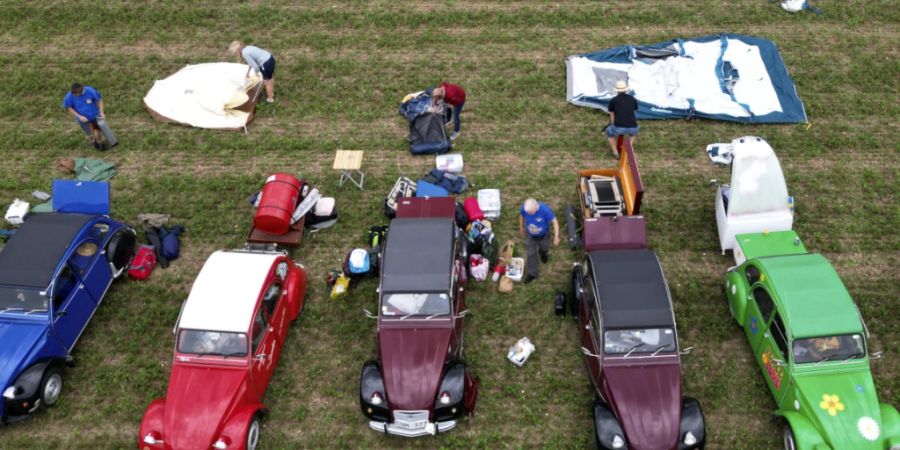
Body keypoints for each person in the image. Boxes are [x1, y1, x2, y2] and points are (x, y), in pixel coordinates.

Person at [62, 83, 117, 151]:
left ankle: (102, 142)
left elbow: (99, 100)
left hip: (96, 114)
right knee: (89, 133)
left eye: (76, 94)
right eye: (74, 94)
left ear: (81, 91)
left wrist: (101, 112)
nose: (75, 95)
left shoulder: (90, 91)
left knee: (100, 128)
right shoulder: (69, 95)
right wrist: (79, 116)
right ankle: (94, 143)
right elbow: (69, 107)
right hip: (82, 118)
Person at [519, 198, 560, 284]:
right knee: (531, 254)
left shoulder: (545, 210)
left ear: (536, 207)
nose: (529, 214)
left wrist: (556, 236)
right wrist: (521, 227)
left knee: (544, 248)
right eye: (528, 213)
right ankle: (532, 274)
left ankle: (543, 253)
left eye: (531, 213)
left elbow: (555, 222)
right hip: (530, 235)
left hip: (543, 235)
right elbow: (522, 216)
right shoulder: (525, 208)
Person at [606, 80, 639, 158]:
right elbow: (634, 112)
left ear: (617, 90)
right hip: (633, 126)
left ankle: (615, 152)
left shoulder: (613, 100)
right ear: (626, 90)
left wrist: (613, 124)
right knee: (633, 133)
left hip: (619, 127)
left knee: (609, 133)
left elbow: (612, 115)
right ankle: (628, 149)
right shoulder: (632, 99)